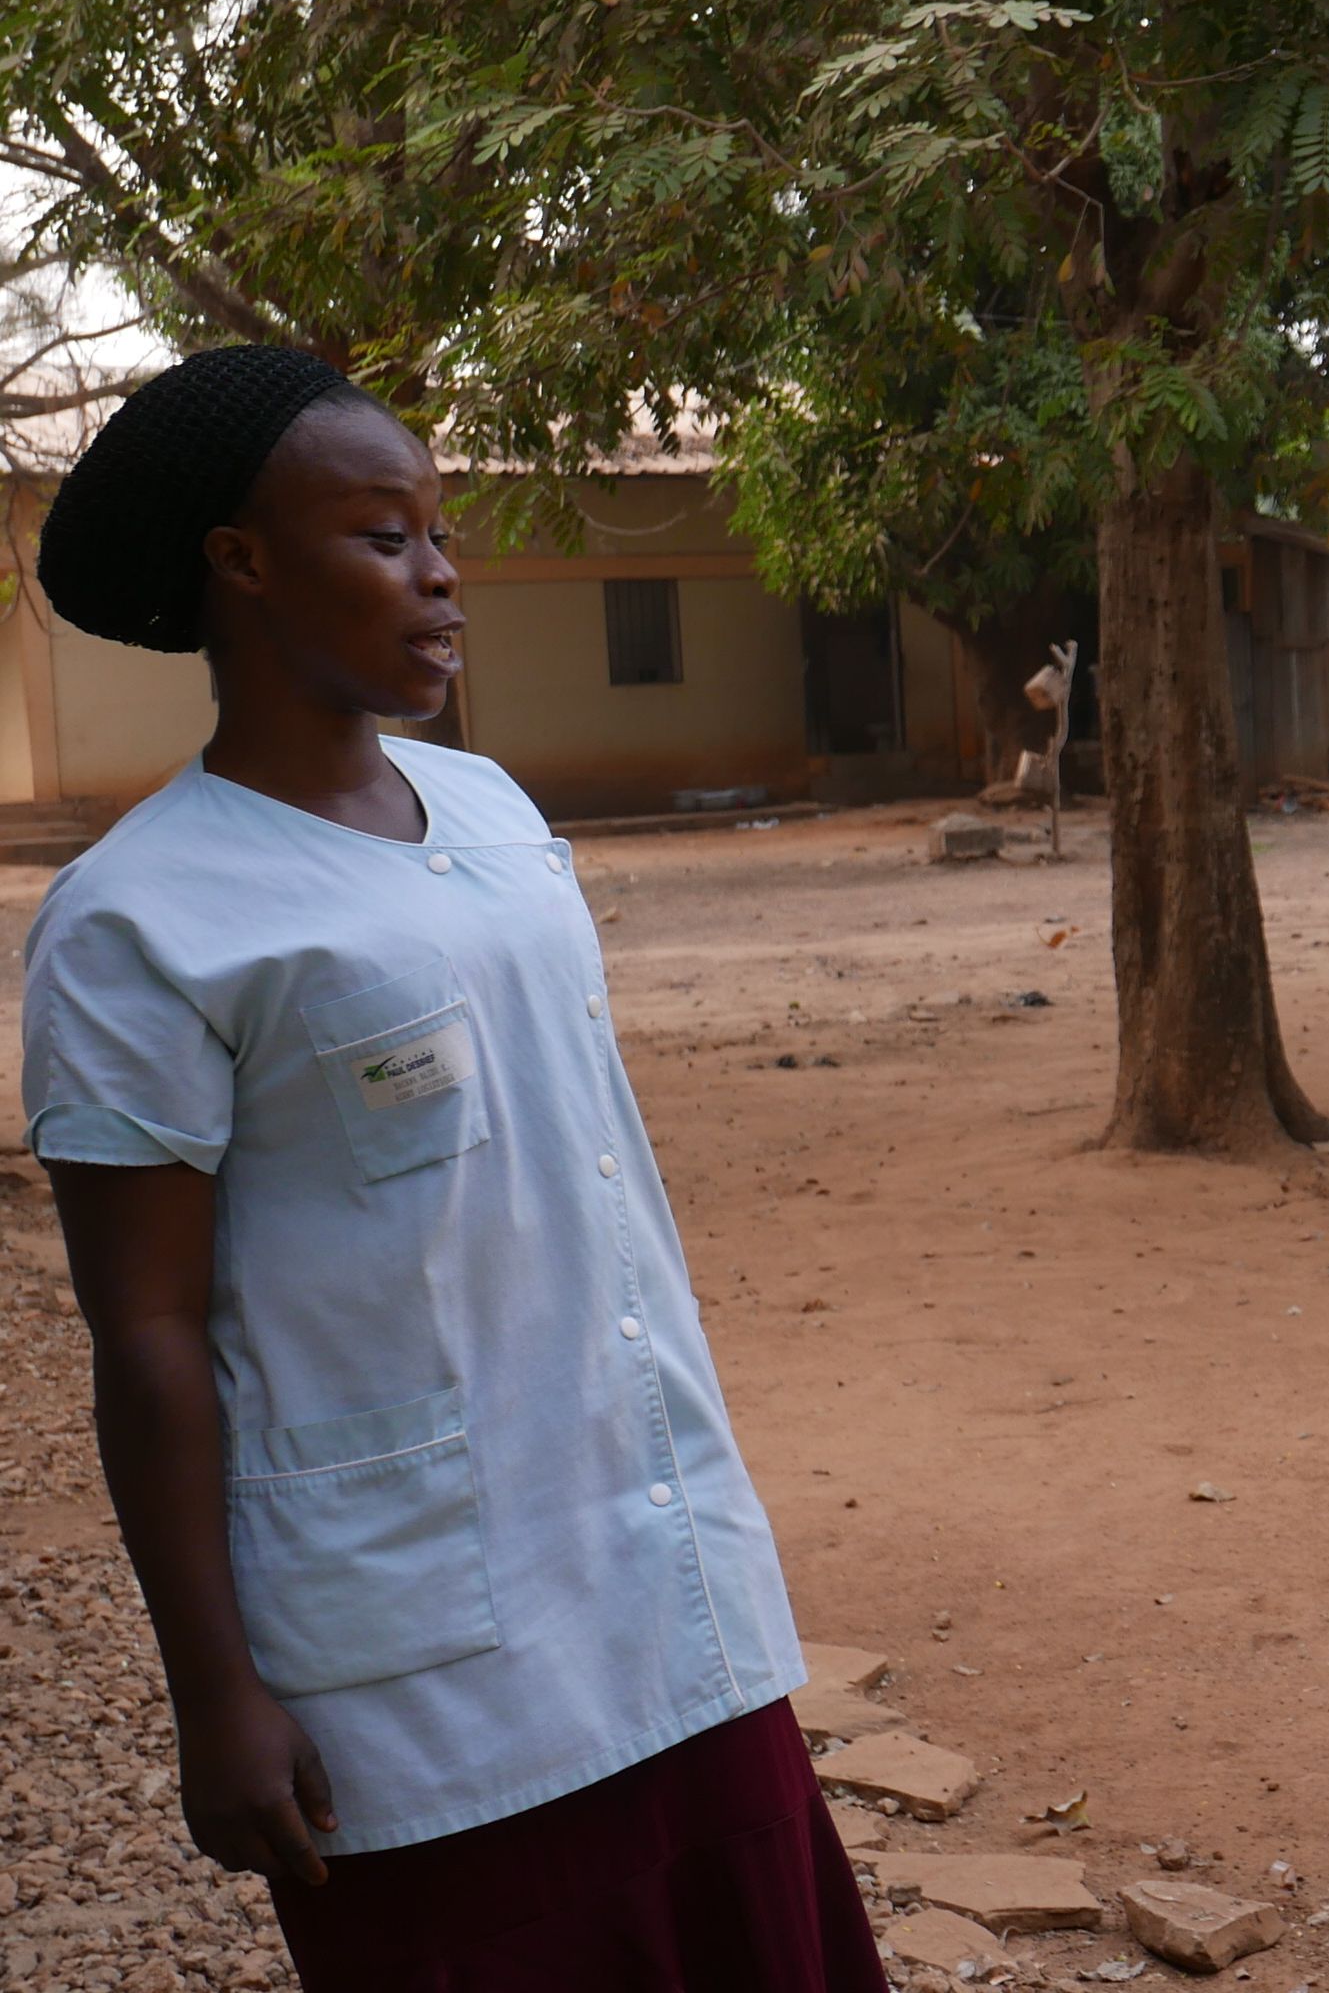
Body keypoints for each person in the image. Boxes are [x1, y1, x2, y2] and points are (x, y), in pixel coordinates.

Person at [20, 347, 883, 1992]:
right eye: (381, 537)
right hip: (414, 1655)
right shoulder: (143, 923)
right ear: (242, 563)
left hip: (653, 1557)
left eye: (440, 533)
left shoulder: (489, 810)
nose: (440, 576)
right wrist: (215, 1692)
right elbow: (143, 1334)